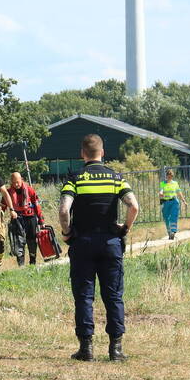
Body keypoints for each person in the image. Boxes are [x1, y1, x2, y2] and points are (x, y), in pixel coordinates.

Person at [59, 134, 138, 362]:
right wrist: (124, 229)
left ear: (82, 153)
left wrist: (66, 233)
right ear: (102, 153)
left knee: (84, 296)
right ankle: (116, 349)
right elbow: (133, 206)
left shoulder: (75, 178)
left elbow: (64, 210)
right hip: (110, 243)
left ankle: (86, 348)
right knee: (113, 295)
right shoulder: (115, 177)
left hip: (82, 243)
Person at [7, 172, 44, 266]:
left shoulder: (29, 190)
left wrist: (41, 220)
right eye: (14, 182)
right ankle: (21, 265)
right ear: (11, 182)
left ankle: (32, 262)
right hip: (17, 219)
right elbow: (3, 205)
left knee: (31, 240)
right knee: (18, 242)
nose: (16, 184)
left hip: (30, 218)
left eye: (18, 182)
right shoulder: (8, 192)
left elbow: (37, 206)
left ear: (21, 180)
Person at [158, 167, 186, 240]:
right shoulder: (163, 183)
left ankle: (173, 231)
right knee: (166, 218)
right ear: (166, 176)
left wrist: (183, 200)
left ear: (172, 176)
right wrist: (160, 193)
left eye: (171, 176)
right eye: (168, 176)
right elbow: (161, 191)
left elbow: (179, 192)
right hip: (166, 202)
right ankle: (169, 232)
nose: (170, 177)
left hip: (174, 202)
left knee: (174, 217)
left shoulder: (175, 183)